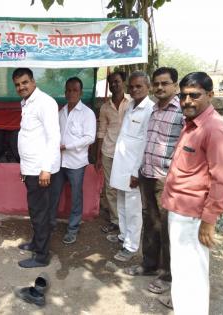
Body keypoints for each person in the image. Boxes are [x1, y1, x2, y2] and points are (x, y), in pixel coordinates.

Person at [161, 72, 223, 314]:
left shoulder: (216, 129)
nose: (187, 101)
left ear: (210, 95)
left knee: (192, 276)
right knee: (182, 272)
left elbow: (222, 180)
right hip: (179, 210)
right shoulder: (191, 124)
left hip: (194, 216)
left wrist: (208, 221)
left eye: (195, 95)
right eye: (183, 95)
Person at [124, 67, 183, 295]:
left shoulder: (181, 112)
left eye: (164, 83)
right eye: (157, 83)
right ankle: (149, 265)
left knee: (167, 228)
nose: (160, 87)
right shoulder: (155, 110)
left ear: (175, 86)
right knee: (150, 223)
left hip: (166, 179)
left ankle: (167, 276)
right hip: (147, 174)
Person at [12, 68, 60, 268]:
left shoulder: (45, 103)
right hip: (31, 169)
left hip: (41, 171)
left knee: (40, 212)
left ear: (33, 81)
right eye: (17, 84)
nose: (21, 87)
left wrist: (46, 169)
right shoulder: (27, 103)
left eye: (24, 82)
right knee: (36, 211)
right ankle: (36, 243)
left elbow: (53, 137)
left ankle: (41, 256)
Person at [107, 71, 154, 262]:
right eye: (132, 86)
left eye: (139, 86)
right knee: (121, 203)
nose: (134, 89)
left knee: (133, 208)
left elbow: (145, 143)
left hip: (133, 169)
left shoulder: (150, 109)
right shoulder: (131, 106)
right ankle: (123, 235)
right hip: (121, 165)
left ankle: (131, 246)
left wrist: (136, 172)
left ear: (147, 87)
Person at [49, 77, 96, 244]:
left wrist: (67, 146)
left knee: (76, 196)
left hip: (76, 162)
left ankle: (73, 229)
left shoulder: (87, 113)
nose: (71, 93)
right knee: (54, 193)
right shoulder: (60, 112)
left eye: (75, 90)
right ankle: (50, 224)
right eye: (68, 90)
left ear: (81, 92)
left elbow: (90, 138)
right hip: (59, 161)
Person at [95, 71, 130, 234]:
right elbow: (101, 131)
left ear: (124, 82)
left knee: (127, 188)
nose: (114, 85)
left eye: (117, 81)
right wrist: (98, 157)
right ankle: (115, 220)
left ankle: (128, 221)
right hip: (108, 151)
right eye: (111, 83)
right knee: (110, 188)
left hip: (128, 154)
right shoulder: (105, 107)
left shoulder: (133, 103)